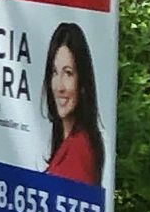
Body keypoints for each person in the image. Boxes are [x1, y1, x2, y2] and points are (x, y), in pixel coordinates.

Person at [42, 22, 104, 186]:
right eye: (55, 72)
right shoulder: (67, 142)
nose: (59, 87)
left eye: (68, 73)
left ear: (82, 82)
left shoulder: (79, 150)